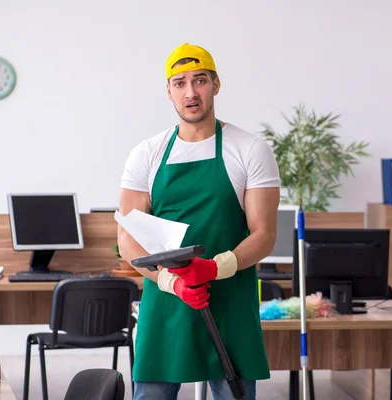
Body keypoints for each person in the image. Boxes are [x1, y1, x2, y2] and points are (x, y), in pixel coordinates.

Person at [117, 42, 280, 400]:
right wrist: (172, 282)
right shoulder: (147, 154)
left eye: (200, 81)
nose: (190, 93)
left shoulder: (249, 149)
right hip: (166, 300)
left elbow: (265, 234)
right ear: (169, 91)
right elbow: (128, 239)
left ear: (216, 85)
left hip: (229, 299)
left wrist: (213, 268)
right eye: (180, 83)